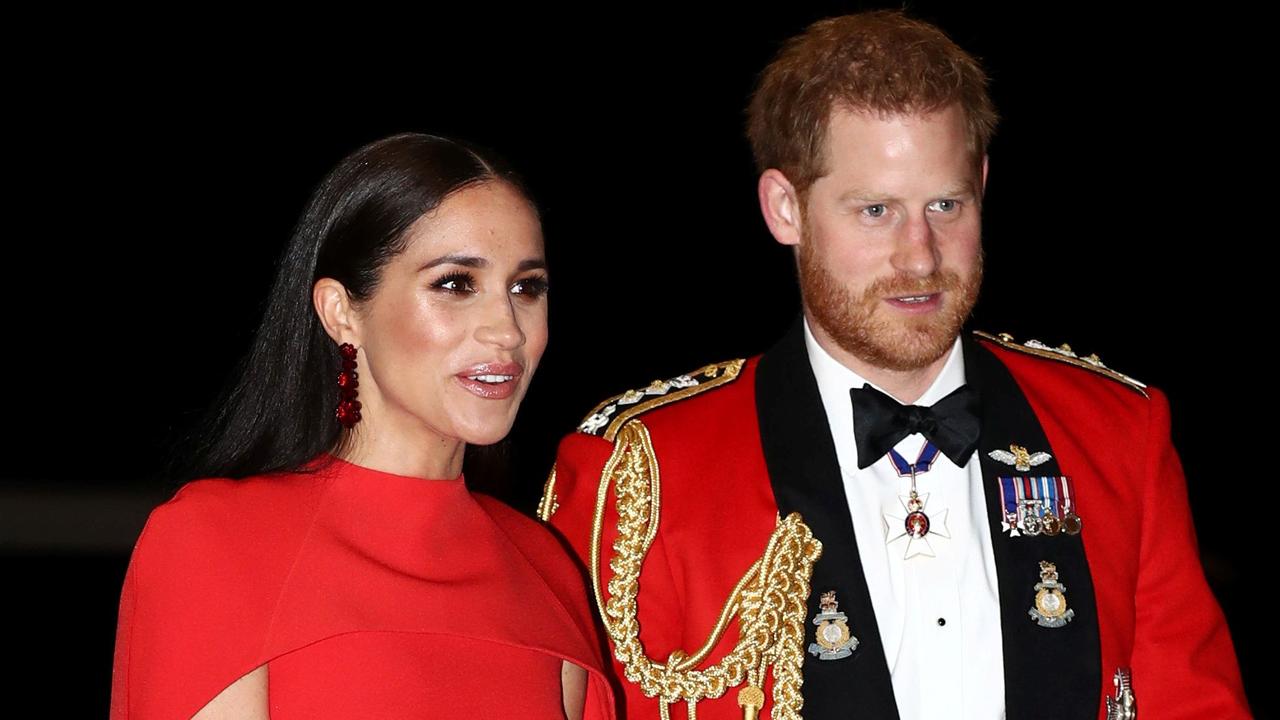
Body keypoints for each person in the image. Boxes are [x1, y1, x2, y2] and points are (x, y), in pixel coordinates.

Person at [540, 12, 1249, 720]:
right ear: (785, 208)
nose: (920, 256)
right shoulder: (641, 473)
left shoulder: (1116, 431)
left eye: (945, 204)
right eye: (876, 210)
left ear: (982, 184)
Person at [110, 133, 616, 719]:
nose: (507, 329)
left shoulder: (546, 566)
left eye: (526, 288)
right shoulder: (217, 541)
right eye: (456, 283)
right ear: (341, 311)